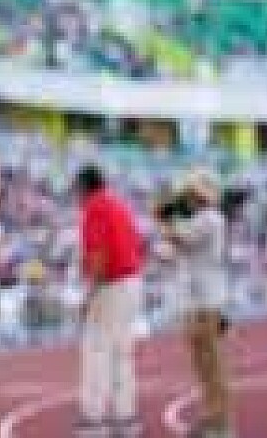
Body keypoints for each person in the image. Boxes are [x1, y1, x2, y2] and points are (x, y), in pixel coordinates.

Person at [158, 169, 234, 438]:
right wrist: (170, 220)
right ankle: (211, 416)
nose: (186, 198)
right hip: (196, 300)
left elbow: (180, 237)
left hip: (206, 301)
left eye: (190, 193)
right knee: (202, 364)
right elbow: (173, 248)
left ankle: (222, 423)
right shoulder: (202, 219)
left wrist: (167, 218)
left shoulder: (210, 218)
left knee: (211, 363)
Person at [75, 164, 144, 438]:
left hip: (110, 284)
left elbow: (98, 253)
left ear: (83, 185)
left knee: (97, 350)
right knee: (122, 353)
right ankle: (126, 416)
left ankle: (94, 418)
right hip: (131, 280)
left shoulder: (95, 207)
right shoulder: (118, 204)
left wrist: (88, 293)